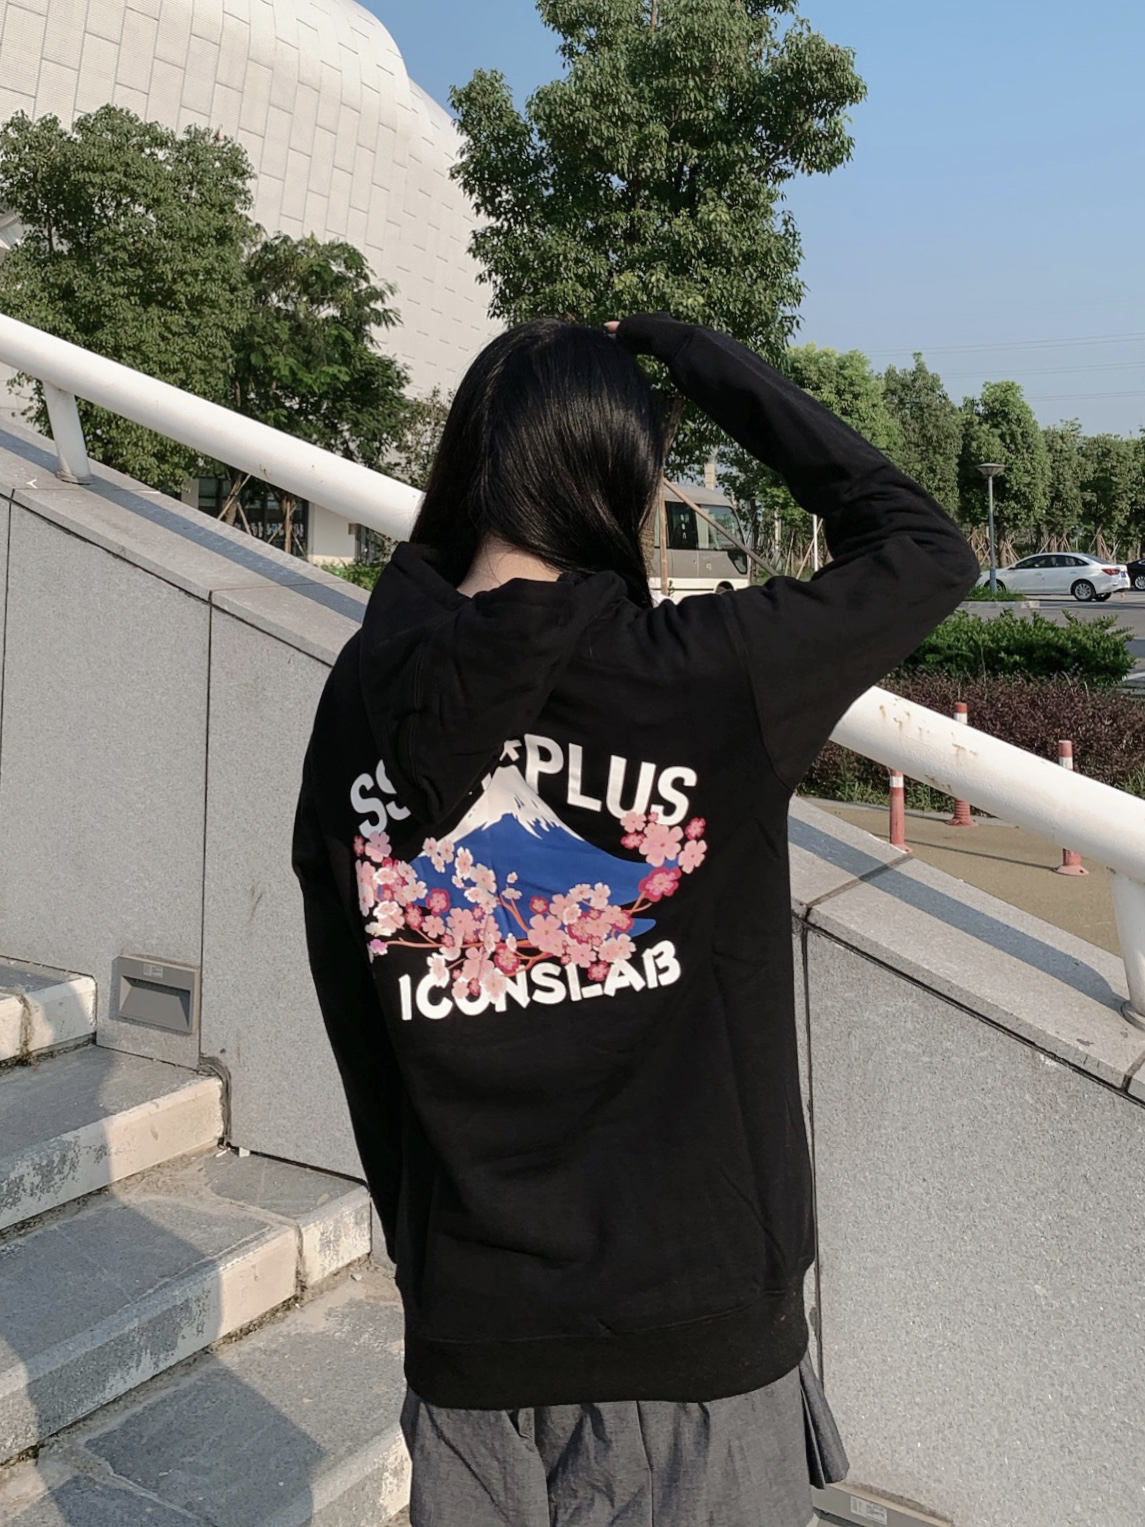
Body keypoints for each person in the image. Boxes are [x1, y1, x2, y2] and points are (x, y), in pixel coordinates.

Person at [292, 313, 979, 1527]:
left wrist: (429, 1266)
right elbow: (922, 548)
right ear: (628, 477)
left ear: (466, 466)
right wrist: (694, 355)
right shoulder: (708, 670)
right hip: (695, 1330)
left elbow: (354, 1007)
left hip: (475, 1334)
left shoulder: (367, 692)